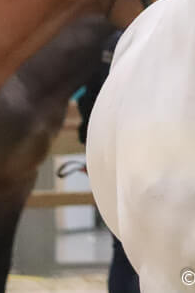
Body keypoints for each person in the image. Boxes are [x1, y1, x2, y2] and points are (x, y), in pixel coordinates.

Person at [78, 30, 140, 293]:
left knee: (123, 245)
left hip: (116, 152)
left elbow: (90, 100)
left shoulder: (115, 43)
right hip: (145, 151)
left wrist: (90, 148)